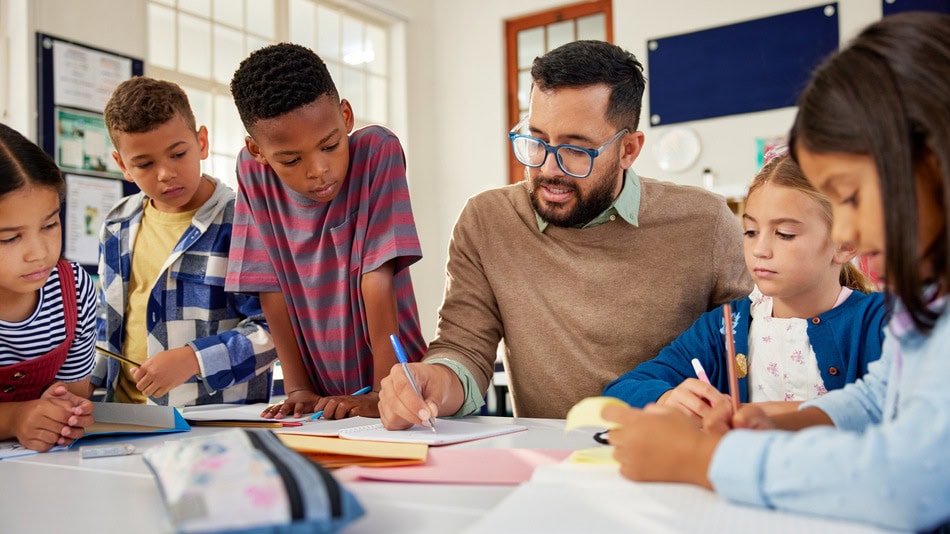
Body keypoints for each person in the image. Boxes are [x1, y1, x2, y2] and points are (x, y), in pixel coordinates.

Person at [603, 13, 950, 531]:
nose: (850, 232)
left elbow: (913, 482)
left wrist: (704, 462)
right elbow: (883, 394)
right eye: (751, 230)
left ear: (933, 162)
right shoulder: (926, 302)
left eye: (851, 197)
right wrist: (782, 425)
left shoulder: (885, 311)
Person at [378, 40, 752, 427]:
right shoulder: (487, 220)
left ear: (628, 150)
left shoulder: (706, 223)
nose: (548, 169)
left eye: (576, 149)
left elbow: (755, 350)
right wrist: (432, 382)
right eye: (536, 140)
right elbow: (464, 349)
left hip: (673, 451)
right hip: (550, 465)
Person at [603, 152, 887, 420]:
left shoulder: (884, 322)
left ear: (845, 244)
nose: (760, 249)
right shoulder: (726, 327)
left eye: (785, 234)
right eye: (750, 231)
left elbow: (898, 408)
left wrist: (767, 414)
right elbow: (619, 393)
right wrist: (665, 398)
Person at [226, 43, 425, 419]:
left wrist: (385, 391)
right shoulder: (253, 175)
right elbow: (270, 287)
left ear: (346, 116)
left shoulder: (376, 152)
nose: (318, 170)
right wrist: (298, 387)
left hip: (402, 385)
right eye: (291, 159)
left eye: (330, 145)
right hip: (323, 401)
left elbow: (376, 278)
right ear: (257, 150)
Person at [94, 76, 276, 406]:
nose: (165, 173)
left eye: (178, 154)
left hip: (211, 426)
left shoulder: (243, 221)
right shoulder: (116, 224)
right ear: (122, 165)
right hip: (120, 417)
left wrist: (194, 359)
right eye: (145, 164)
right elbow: (105, 326)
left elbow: (275, 332)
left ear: (202, 142)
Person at [0, 123, 95, 451]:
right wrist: (14, 418)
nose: (39, 253)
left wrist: (67, 413)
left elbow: (75, 394)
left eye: (50, 224)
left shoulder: (74, 289)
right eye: (10, 238)